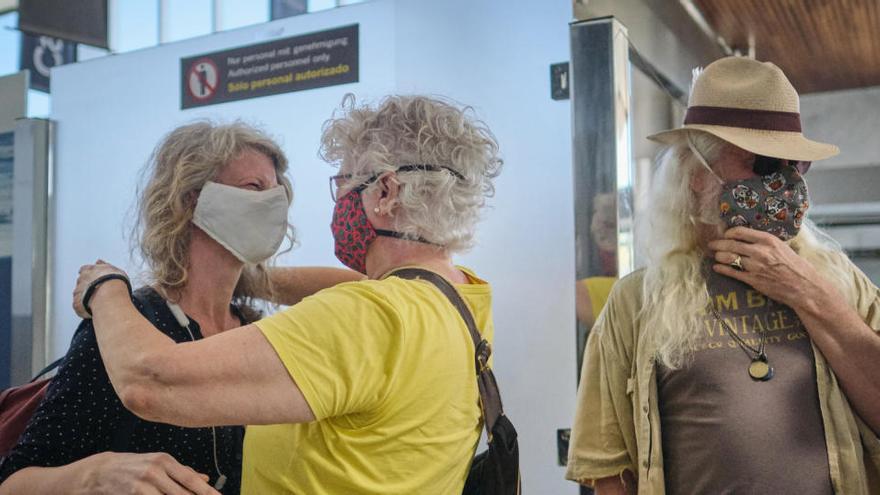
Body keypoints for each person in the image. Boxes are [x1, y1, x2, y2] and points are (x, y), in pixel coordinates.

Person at [71, 94, 504, 494]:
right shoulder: (460, 298)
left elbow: (147, 381)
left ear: (386, 192)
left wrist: (104, 286)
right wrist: (250, 280)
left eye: (345, 184)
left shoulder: (366, 316)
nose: (339, 204)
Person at [566, 57, 880, 494]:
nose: (787, 183)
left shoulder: (836, 278)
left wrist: (810, 295)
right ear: (697, 173)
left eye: (797, 167)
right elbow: (608, 469)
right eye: (766, 165)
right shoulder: (638, 300)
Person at [0, 121, 360, 495]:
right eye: (254, 188)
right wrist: (98, 474)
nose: (274, 204)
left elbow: (368, 291)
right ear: (192, 198)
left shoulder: (251, 326)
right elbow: (14, 481)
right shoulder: (126, 326)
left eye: (277, 192)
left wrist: (249, 280)